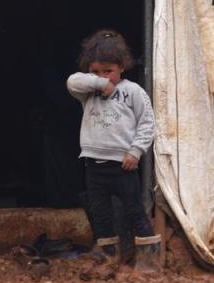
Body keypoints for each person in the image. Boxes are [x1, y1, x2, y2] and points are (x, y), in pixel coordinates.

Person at [66, 29, 160, 270]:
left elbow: (147, 123)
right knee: (101, 216)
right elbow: (71, 81)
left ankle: (149, 263)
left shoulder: (133, 92)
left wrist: (136, 151)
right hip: (93, 165)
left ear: (122, 67)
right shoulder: (88, 93)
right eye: (96, 72)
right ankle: (109, 260)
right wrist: (98, 83)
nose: (104, 77)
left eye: (108, 71)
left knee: (135, 211)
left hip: (123, 165)